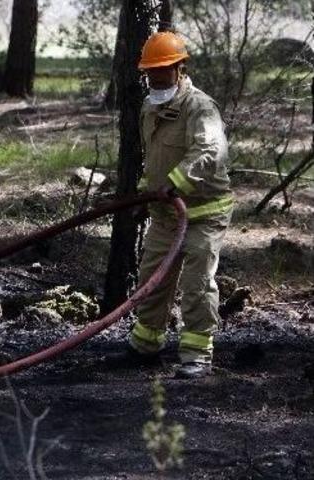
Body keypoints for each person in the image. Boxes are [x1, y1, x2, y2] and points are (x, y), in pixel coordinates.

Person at [122, 31, 234, 379]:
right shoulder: (149, 106)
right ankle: (146, 343)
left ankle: (197, 355)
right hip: (165, 216)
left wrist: (176, 184)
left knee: (197, 284)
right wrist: (147, 192)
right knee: (151, 280)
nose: (155, 78)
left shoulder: (200, 107)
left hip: (203, 214)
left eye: (162, 70)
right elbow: (152, 159)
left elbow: (210, 153)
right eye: (150, 72)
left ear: (180, 68)